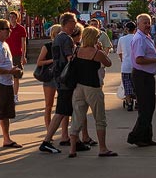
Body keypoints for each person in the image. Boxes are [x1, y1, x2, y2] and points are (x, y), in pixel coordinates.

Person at [67, 26, 117, 157]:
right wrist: (99, 50)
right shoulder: (96, 53)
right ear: (94, 38)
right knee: (100, 118)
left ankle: (72, 149)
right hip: (93, 87)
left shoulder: (77, 50)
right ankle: (103, 148)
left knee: (77, 116)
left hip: (78, 87)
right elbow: (109, 63)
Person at [38, 12, 78, 154]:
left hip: (59, 78)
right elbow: (70, 59)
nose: (75, 25)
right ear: (67, 23)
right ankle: (47, 140)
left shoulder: (57, 39)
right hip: (66, 79)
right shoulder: (66, 39)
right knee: (62, 111)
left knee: (65, 110)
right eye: (73, 22)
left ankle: (73, 139)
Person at [128, 14, 156, 147]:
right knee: (145, 108)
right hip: (141, 76)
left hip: (146, 76)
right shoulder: (139, 39)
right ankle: (136, 136)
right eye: (144, 23)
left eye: (149, 22)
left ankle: (146, 137)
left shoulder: (146, 37)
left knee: (149, 108)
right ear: (138, 24)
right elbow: (139, 59)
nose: (147, 25)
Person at [0, 19, 23, 150]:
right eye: (7, 28)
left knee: (6, 113)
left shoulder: (4, 45)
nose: (9, 30)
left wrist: (13, 70)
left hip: (7, 82)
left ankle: (6, 139)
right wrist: (9, 71)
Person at [35, 24, 62, 129]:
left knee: (62, 105)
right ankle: (48, 128)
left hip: (61, 76)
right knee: (49, 105)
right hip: (50, 77)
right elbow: (39, 62)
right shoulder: (47, 46)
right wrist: (52, 61)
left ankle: (61, 129)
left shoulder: (64, 46)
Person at [6, 11, 28, 103]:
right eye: (10, 17)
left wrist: (23, 56)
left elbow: (23, 43)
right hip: (7, 55)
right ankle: (9, 95)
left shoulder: (21, 29)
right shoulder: (6, 28)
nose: (12, 18)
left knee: (16, 76)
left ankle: (15, 95)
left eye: (13, 17)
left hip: (17, 55)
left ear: (17, 18)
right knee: (7, 77)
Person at [117, 21, 137, 111]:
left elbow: (119, 53)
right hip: (136, 65)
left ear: (127, 29)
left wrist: (123, 60)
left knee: (127, 85)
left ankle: (129, 103)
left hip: (126, 65)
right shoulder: (137, 38)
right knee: (136, 85)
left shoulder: (122, 39)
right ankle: (137, 102)